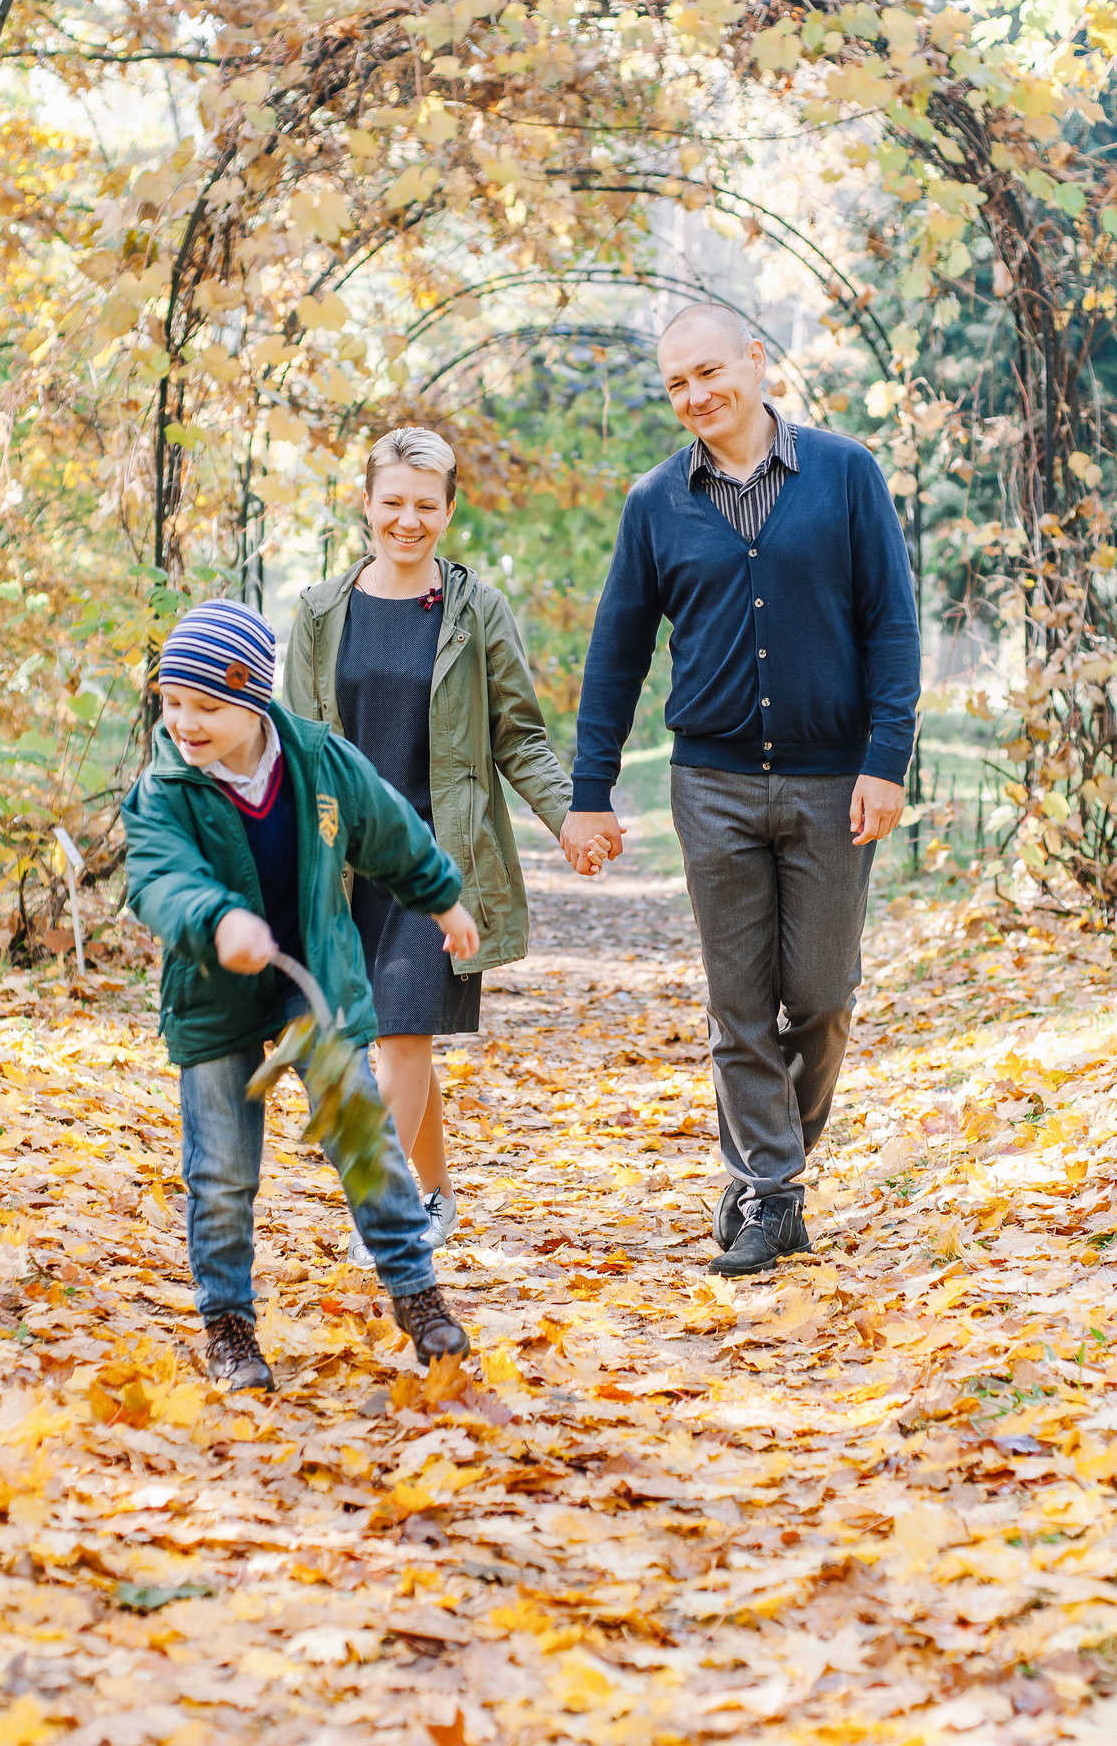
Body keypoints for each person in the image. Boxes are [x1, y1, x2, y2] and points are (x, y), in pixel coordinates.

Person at [560, 304, 921, 1278]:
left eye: (709, 372)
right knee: (738, 1002)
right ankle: (770, 1193)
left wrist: (886, 759)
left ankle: (768, 1171)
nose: (695, 396)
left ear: (756, 362)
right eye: (676, 384)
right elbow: (616, 656)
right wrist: (588, 790)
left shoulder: (843, 474)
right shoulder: (654, 503)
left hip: (829, 783)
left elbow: (890, 624)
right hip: (710, 784)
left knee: (819, 997)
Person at [122, 598, 481, 1390]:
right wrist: (217, 921)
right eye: (173, 702)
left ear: (254, 702)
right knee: (221, 1168)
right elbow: (158, 877)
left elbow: (388, 827)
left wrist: (443, 896)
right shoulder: (166, 789)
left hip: (310, 980)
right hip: (216, 992)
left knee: (360, 1127)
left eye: (208, 706)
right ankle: (228, 1326)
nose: (186, 722)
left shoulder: (318, 760)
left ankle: (417, 1294)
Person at [284, 427, 596, 1266]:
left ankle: (382, 1213)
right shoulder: (318, 612)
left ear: (450, 511)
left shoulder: (475, 610)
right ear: (367, 504)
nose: (408, 520)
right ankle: (434, 1194)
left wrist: (567, 815)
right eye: (394, 503)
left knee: (406, 1035)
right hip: (349, 864)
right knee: (392, 1036)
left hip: (439, 863)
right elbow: (297, 749)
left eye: (427, 505)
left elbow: (519, 735)